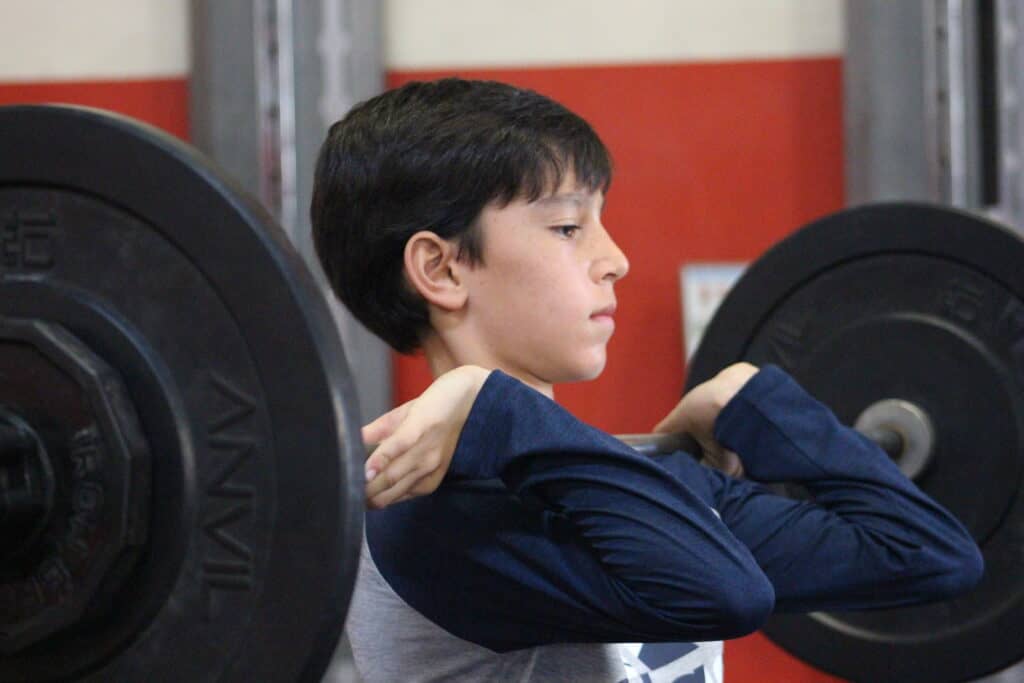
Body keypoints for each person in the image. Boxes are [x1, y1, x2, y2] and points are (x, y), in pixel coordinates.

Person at [311, 78, 983, 683]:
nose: (617, 259)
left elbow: (929, 554)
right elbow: (725, 592)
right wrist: (499, 411)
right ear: (442, 269)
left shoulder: (620, 484)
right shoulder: (441, 519)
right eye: (569, 226)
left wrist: (760, 405)